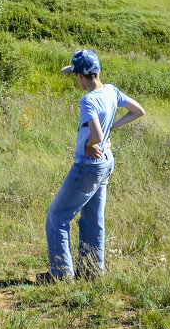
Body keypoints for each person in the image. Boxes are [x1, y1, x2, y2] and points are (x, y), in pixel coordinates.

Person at [43, 49, 145, 281]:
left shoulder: (88, 100)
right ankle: (91, 271)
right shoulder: (111, 91)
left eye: (74, 76)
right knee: (93, 218)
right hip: (106, 162)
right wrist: (113, 127)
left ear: (80, 76)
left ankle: (60, 275)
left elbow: (97, 136)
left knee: (57, 216)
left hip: (88, 165)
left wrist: (92, 142)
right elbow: (139, 111)